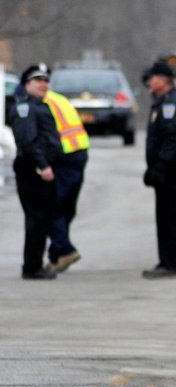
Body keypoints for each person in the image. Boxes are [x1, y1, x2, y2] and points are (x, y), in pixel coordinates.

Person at [141, 60, 176, 279]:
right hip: (166, 173)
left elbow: (171, 140)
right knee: (163, 218)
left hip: (173, 173)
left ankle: (173, 264)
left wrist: (160, 167)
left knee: (172, 218)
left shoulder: (170, 105)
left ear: (164, 81)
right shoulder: (162, 102)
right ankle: (166, 261)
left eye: (154, 78)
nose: (150, 81)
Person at [10, 63, 63, 280]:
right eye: (37, 81)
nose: (43, 84)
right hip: (33, 171)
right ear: (26, 85)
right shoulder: (25, 108)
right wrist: (43, 165)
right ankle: (31, 267)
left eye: (45, 80)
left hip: (43, 170)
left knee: (42, 219)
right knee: (36, 219)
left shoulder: (41, 106)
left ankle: (35, 264)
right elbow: (28, 142)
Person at [43, 83, 90, 273]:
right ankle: (57, 256)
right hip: (79, 152)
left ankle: (65, 250)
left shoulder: (43, 102)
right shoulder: (58, 98)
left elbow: (47, 134)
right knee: (65, 207)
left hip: (63, 155)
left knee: (53, 206)